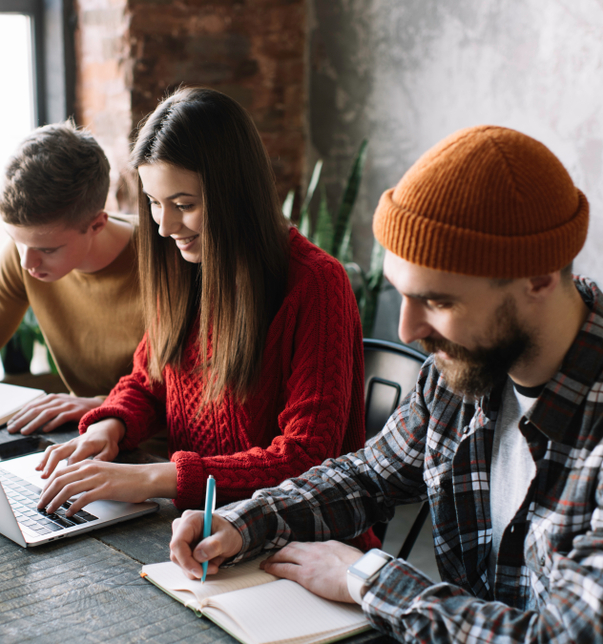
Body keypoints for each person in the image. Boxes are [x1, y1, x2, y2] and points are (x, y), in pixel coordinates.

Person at [168, 125, 603, 642]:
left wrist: (369, 578)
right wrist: (244, 522)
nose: (409, 331)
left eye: (438, 301)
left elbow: (569, 639)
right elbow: (369, 477)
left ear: (538, 277)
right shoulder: (462, 371)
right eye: (403, 293)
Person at [35, 87, 373, 535]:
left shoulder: (316, 284)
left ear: (234, 193)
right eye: (154, 203)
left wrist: (152, 478)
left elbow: (306, 460)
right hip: (196, 527)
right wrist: (110, 427)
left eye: (184, 205)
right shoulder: (183, 265)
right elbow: (149, 381)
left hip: (294, 541)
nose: (164, 226)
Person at [0, 122, 144, 434]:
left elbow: (205, 390)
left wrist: (103, 404)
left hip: (166, 452)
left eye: (47, 249)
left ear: (97, 225)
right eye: (17, 241)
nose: (27, 262)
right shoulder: (24, 255)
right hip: (86, 438)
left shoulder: (164, 257)